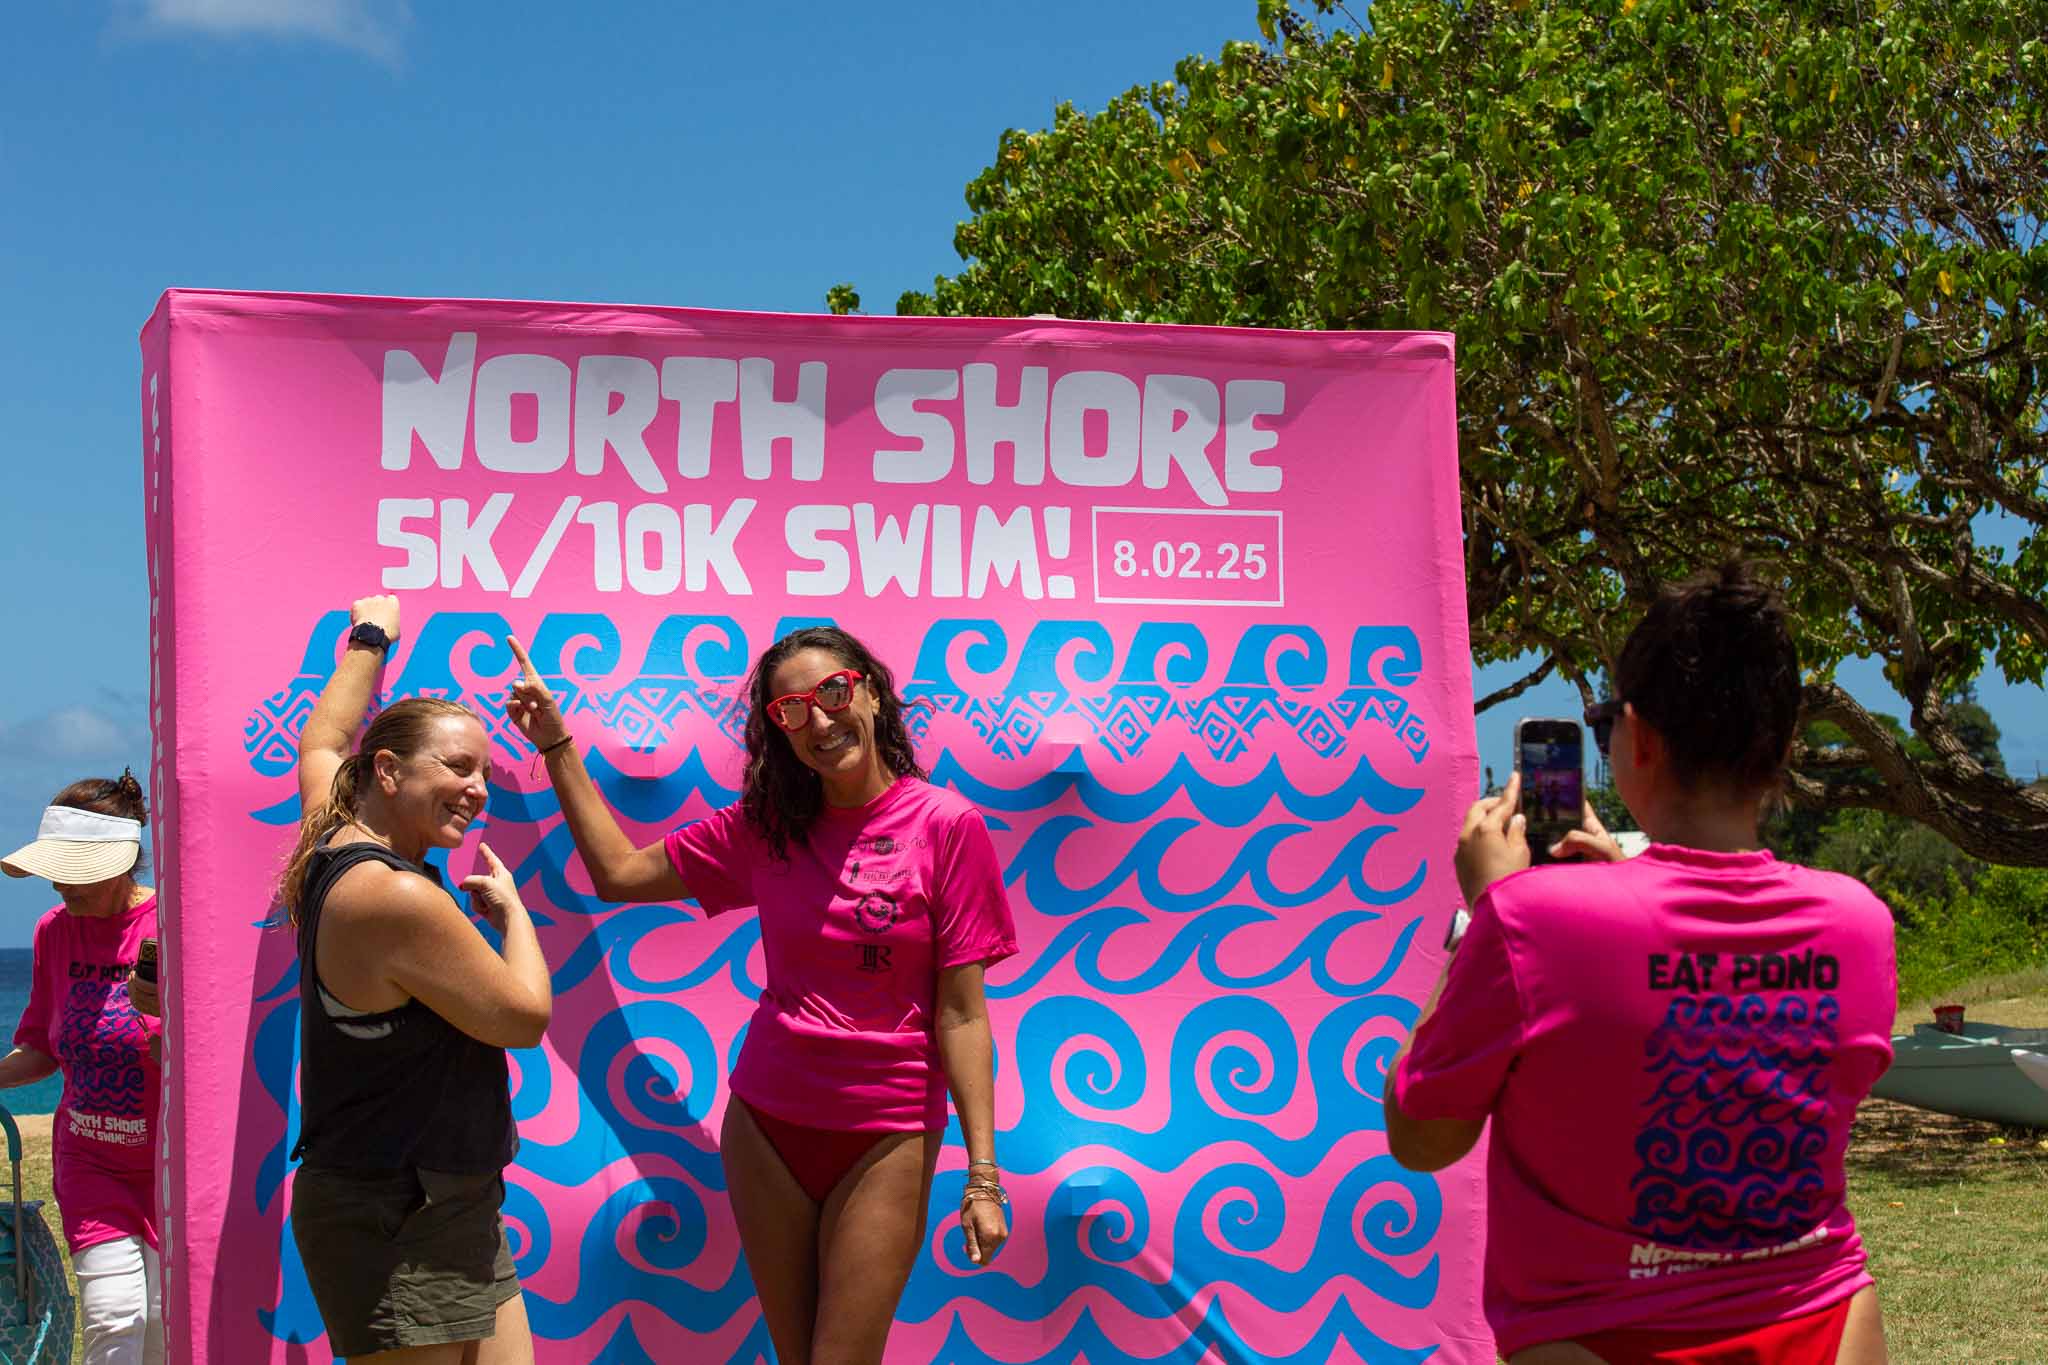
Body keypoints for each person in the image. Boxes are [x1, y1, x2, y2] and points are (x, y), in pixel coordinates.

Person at [1386, 562, 1895, 1364]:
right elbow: (1722, 1035)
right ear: (1785, 746)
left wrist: (1486, 916)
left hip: (1594, 1337)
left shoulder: (1527, 924)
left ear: (1641, 739)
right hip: (1824, 1324)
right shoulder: (1860, 924)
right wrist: (1611, 893)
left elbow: (1422, 1134)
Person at [504, 623, 1015, 1365]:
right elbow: (618, 873)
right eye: (791, 710)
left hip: (888, 1130)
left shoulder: (947, 826)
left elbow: (962, 1014)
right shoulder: (769, 828)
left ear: (871, 692)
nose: (819, 722)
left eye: (833, 692)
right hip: (767, 1125)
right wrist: (557, 744)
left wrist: (983, 1175)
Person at [280, 595, 551, 1364]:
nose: (479, 788)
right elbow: (525, 1017)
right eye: (459, 766)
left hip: (444, 1198)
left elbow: (323, 742)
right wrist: (515, 914)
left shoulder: (331, 836)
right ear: (389, 770)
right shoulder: (396, 896)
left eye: (485, 772)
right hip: (397, 1211)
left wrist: (370, 639)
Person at [0, 770, 165, 1364]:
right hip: (90, 1162)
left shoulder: (172, 925)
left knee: (163, 1327)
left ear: (121, 864)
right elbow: (42, 1049)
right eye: (56, 871)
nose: (59, 885)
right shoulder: (54, 933)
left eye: (75, 872)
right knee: (113, 1318)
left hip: (170, 1165)